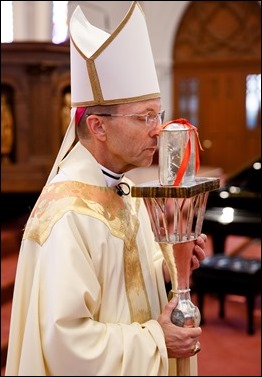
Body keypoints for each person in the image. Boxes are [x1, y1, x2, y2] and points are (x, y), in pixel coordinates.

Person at [5, 2, 207, 376]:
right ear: (98, 126)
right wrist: (156, 342)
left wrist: (167, 269)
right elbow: (65, 343)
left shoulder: (124, 189)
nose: (157, 129)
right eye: (145, 116)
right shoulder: (66, 214)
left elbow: (129, 280)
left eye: (158, 115)